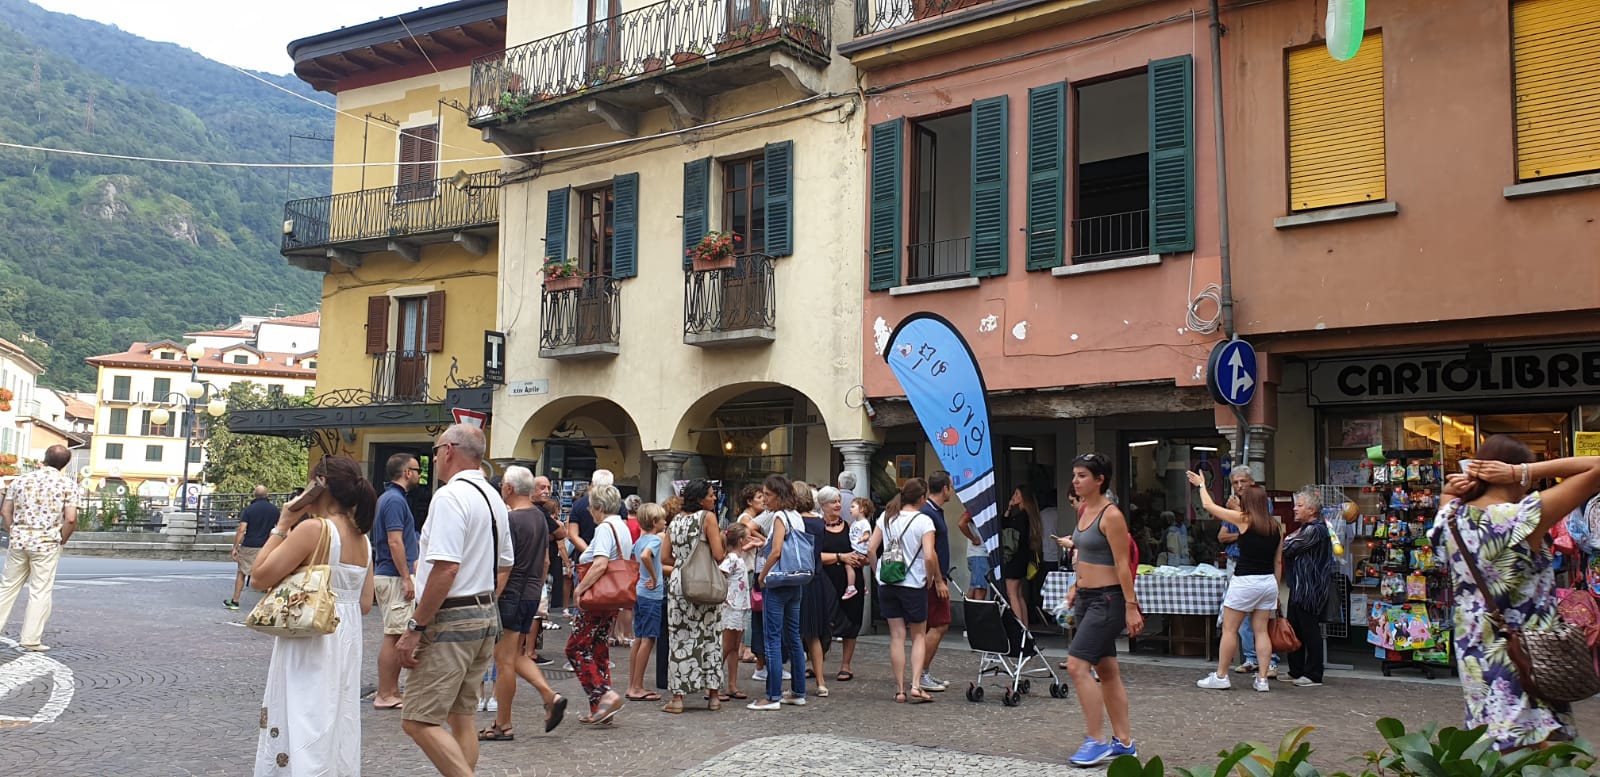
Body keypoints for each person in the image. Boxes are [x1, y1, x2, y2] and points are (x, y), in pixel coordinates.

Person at [1430, 437, 1600, 751]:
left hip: (1475, 652)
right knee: (1527, 748)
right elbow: (1596, 467)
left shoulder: (1450, 517)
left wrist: (1456, 489)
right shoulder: (1522, 517)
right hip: (1528, 654)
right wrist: (1522, 471)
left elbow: (1448, 499)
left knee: (1496, 744)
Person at [396, 425, 512, 777]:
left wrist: (416, 626)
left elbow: (446, 568)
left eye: (434, 451)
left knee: (417, 720)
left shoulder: (450, 497)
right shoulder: (493, 497)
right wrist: (483, 599)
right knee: (462, 717)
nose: (433, 459)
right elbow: (505, 563)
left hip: (452, 617)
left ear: (448, 450)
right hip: (484, 613)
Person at [249, 455, 376, 776]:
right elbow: (365, 603)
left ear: (319, 484)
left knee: (302, 716)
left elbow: (259, 577)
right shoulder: (363, 539)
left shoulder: (314, 529)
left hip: (310, 636)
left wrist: (282, 525)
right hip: (345, 638)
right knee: (335, 719)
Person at [1060, 452, 1144, 767]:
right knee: (1107, 671)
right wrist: (1075, 587)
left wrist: (1131, 607)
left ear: (1100, 480)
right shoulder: (1084, 510)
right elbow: (1084, 554)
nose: (1075, 480)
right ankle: (1124, 742)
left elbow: (1123, 564)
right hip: (1086, 598)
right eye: (1075, 474)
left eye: (1082, 475)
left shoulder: (1112, 515)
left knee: (1076, 666)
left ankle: (1095, 740)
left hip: (1108, 600)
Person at [478, 466, 566, 742]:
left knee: (504, 660)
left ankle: (503, 724)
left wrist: (493, 596)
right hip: (530, 592)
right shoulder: (539, 517)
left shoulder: (510, 519)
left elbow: (503, 565)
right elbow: (546, 560)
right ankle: (549, 696)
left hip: (511, 593)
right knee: (515, 656)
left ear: (509, 488)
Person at [1189, 470, 1281, 693]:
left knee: (1230, 629)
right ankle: (1262, 679)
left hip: (1245, 580)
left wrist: (1201, 485)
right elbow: (1278, 561)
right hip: (1268, 581)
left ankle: (1221, 676)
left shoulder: (1244, 520)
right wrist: (1276, 589)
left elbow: (1209, 506)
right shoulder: (1274, 526)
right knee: (1261, 631)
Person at [863, 477, 941, 704]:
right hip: (913, 584)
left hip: (888, 583)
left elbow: (871, 548)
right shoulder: (924, 521)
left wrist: (878, 573)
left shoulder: (887, 516)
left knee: (897, 636)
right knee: (918, 635)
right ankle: (915, 685)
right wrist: (929, 578)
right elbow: (929, 555)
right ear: (923, 498)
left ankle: (899, 690)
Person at [0, 444, 80, 652]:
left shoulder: (20, 480)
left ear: (44, 458)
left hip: (19, 541)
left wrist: (13, 531)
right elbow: (71, 518)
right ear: (66, 464)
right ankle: (30, 639)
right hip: (46, 543)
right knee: (40, 591)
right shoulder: (67, 484)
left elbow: (5, 512)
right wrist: (61, 539)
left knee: (7, 587)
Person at [662, 479, 728, 713]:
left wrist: (683, 563)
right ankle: (713, 696)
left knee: (680, 638)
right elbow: (718, 554)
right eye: (710, 495)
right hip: (704, 581)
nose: (714, 498)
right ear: (700, 499)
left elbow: (664, 557)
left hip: (680, 582)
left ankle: (678, 698)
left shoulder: (675, 521)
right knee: (710, 636)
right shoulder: (707, 518)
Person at [567, 484, 631, 724]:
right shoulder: (621, 526)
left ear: (599, 507)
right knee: (598, 649)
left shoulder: (605, 528)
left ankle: (605, 695)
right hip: (611, 597)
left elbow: (601, 563)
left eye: (591, 507)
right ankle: (601, 709)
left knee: (576, 648)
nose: (589, 511)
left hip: (597, 597)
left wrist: (580, 589)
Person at [749, 474, 808, 710]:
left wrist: (762, 577)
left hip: (778, 581)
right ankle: (798, 691)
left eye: (768, 495)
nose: (765, 499)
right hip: (796, 580)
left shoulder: (780, 517)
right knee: (793, 637)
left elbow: (776, 552)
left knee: (772, 638)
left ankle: (772, 696)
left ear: (779, 496)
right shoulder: (797, 516)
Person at [371, 453, 422, 710]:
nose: (420, 474)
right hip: (393, 575)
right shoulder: (394, 500)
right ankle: (385, 693)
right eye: (417, 470)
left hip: (391, 573)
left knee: (396, 633)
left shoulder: (391, 498)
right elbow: (395, 541)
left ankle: (390, 690)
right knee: (395, 636)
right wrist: (406, 577)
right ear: (406, 472)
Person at [1219, 465, 1277, 677]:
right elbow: (1222, 536)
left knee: (1248, 625)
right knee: (1242, 620)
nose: (1239, 486)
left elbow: (1257, 529)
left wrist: (1242, 526)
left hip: (1255, 570)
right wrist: (1243, 532)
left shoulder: (1261, 502)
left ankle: (1223, 675)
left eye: (1242, 481)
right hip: (1237, 563)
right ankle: (1253, 661)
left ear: (1252, 482)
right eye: (1235, 482)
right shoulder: (1233, 506)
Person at [1281, 487, 1333, 688]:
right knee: (1295, 628)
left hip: (1311, 588)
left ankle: (1313, 673)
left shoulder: (1315, 530)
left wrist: (1287, 539)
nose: (1295, 509)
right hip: (1299, 586)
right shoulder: (1306, 528)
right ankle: (1296, 670)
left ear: (1312, 510)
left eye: (1300, 505)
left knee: (1309, 630)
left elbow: (1289, 547)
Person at [917, 470, 957, 693]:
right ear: (944, 488)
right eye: (951, 486)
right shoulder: (928, 513)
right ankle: (921, 673)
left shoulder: (932, 511)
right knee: (940, 623)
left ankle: (923, 672)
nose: (952, 490)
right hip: (933, 579)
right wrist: (939, 580)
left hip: (933, 577)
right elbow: (930, 551)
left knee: (932, 625)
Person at [625, 502, 667, 703]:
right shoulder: (655, 540)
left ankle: (633, 684)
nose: (665, 522)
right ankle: (637, 686)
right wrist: (654, 576)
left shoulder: (640, 540)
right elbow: (645, 556)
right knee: (648, 639)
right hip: (651, 595)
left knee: (639, 638)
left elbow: (635, 557)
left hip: (640, 592)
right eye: (663, 519)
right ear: (654, 521)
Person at [833, 497, 874, 682]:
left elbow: (867, 536)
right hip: (833, 578)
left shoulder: (860, 524)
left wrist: (862, 540)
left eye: (853, 506)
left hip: (857, 553)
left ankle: (853, 586)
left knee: (851, 566)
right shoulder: (853, 524)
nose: (848, 508)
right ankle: (861, 586)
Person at [718, 522, 760, 701]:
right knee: (727, 646)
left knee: (734, 647)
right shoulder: (732, 559)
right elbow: (721, 575)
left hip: (740, 606)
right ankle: (712, 684)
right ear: (741, 540)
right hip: (732, 606)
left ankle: (732, 684)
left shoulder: (738, 558)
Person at [226, 485, 277, 611]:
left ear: (254, 495)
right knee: (268, 574)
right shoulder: (275, 510)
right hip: (267, 546)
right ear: (267, 495)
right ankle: (269, 603)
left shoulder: (249, 510)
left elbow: (242, 529)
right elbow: (279, 529)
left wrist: (235, 547)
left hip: (250, 545)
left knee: (242, 573)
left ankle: (235, 601)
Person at [1001, 485, 1042, 626]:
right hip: (1024, 558)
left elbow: (1004, 524)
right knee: (1019, 594)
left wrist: (1009, 509)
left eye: (1017, 494)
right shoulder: (1030, 516)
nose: (1014, 496)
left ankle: (1019, 628)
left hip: (1015, 558)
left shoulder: (1021, 517)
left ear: (1023, 497)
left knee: (1012, 594)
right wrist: (1009, 508)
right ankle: (1025, 628)